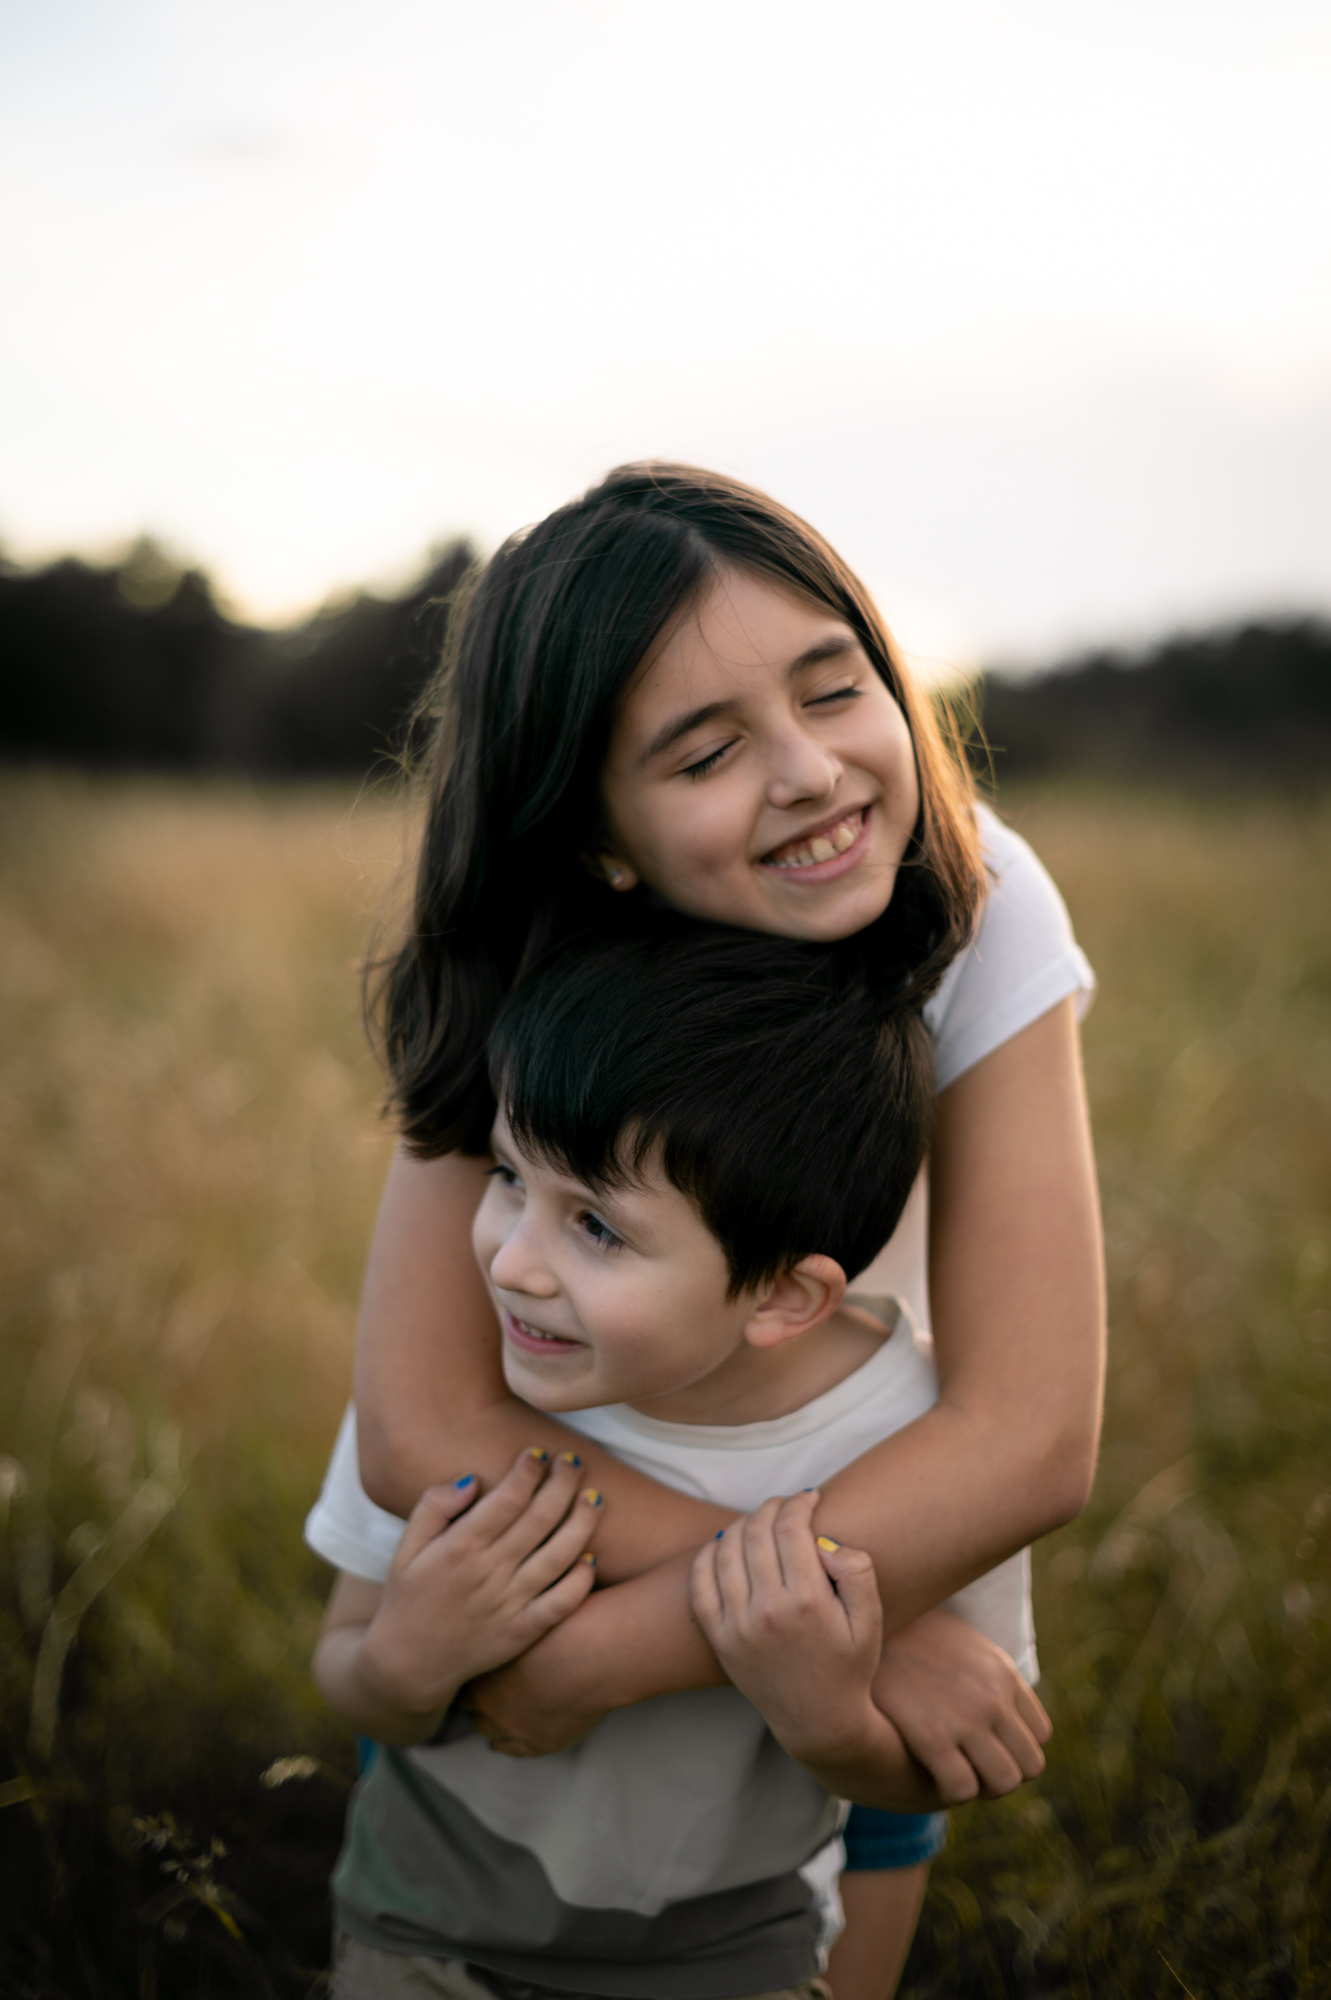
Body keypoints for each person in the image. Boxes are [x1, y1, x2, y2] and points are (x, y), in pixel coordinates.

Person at [351, 464, 1105, 1991]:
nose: (812, 773)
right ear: (594, 836)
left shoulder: (971, 894)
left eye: (835, 691)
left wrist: (628, 1656)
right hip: (681, 1538)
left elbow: (1028, 1438)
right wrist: (843, 1619)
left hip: (869, 1496)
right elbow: (418, 1417)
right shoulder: (533, 943)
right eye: (705, 752)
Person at [308, 918, 1053, 1998]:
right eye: (511, 1175)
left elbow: (931, 1764)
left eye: (596, 1228)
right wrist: (403, 1660)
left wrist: (826, 1712)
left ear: (783, 1296)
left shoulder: (919, 1442)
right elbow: (347, 1669)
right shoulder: (469, 1384)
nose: (513, 1263)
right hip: (422, 1923)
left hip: (725, 1952)